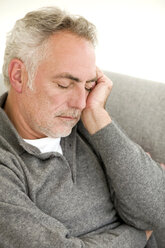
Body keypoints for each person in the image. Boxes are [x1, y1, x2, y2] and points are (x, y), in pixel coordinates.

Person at [0, 7, 164, 248]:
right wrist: (139, 234)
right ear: (19, 76)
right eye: (65, 84)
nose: (80, 103)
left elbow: (156, 207)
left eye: (88, 85)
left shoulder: (88, 121)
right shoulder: (7, 162)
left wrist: (99, 119)